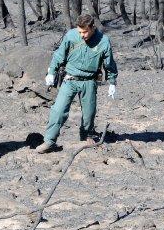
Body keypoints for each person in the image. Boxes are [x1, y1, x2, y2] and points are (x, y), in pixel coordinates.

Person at [36, 14, 118, 154]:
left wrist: (112, 82)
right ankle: (49, 141)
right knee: (58, 110)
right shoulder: (71, 36)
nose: (82, 35)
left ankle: (86, 136)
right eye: (80, 32)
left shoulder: (103, 41)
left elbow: (109, 63)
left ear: (92, 28)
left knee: (89, 113)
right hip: (70, 79)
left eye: (85, 32)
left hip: (89, 81)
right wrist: (51, 72)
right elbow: (59, 54)